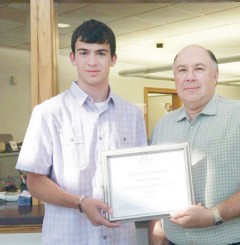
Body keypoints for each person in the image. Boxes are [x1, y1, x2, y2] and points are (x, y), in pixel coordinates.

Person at [16, 19, 147, 245]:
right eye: (84, 53)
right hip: (69, 238)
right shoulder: (48, 113)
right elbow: (34, 181)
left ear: (113, 59)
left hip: (121, 238)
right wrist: (80, 202)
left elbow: (141, 174)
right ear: (73, 58)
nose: (92, 62)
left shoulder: (132, 114)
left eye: (101, 53)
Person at [148, 44, 240, 245]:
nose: (190, 76)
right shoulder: (163, 125)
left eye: (199, 69)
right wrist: (157, 235)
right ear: (175, 78)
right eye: (182, 70)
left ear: (215, 76)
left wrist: (213, 215)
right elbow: (156, 187)